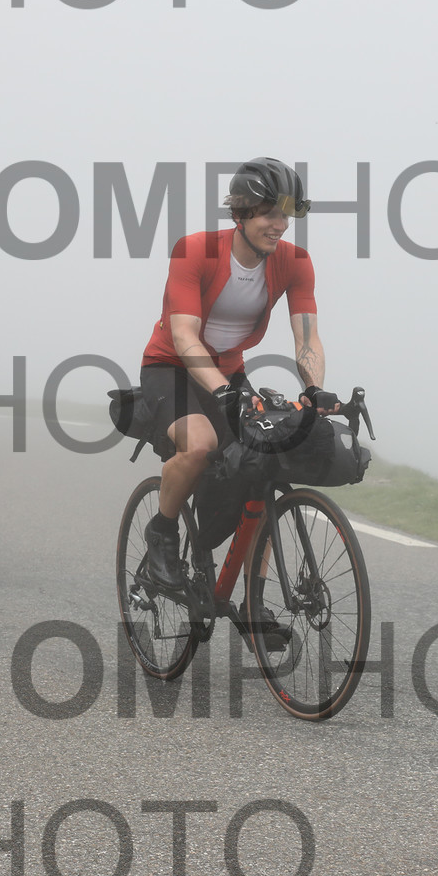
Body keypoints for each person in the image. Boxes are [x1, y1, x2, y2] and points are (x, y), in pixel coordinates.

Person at [138, 157, 340, 602]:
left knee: (265, 461)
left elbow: (308, 337)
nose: (280, 225)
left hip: (229, 373)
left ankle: (252, 602)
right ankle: (162, 533)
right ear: (241, 212)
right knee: (201, 444)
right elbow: (184, 336)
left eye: (287, 214)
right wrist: (223, 392)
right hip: (170, 367)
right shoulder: (195, 251)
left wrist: (314, 390)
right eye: (269, 213)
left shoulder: (296, 263)